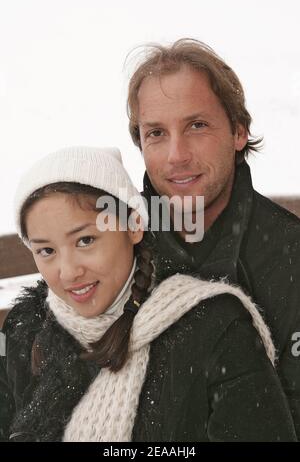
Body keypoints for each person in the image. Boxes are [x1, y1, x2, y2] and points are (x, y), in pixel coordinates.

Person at [0, 146, 296, 442]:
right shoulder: (25, 327)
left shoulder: (213, 327)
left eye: (85, 240)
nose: (67, 272)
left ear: (134, 226)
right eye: (47, 251)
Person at [127, 38, 300, 438]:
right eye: (156, 133)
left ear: (239, 131)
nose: (176, 155)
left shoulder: (291, 258)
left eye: (197, 125)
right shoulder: (112, 246)